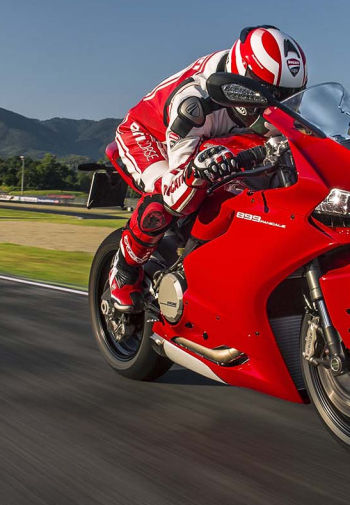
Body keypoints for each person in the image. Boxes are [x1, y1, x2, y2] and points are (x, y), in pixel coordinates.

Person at [108, 25, 308, 310]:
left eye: (289, 96)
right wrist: (195, 173)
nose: (276, 108)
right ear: (243, 79)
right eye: (270, 95)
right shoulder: (194, 103)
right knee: (164, 199)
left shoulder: (257, 96)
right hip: (150, 135)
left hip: (214, 136)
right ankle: (125, 270)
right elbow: (176, 194)